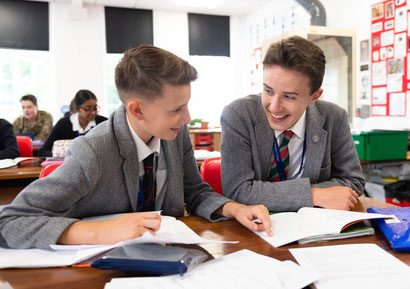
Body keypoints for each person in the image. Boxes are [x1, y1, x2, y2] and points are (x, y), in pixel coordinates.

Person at [0, 45, 271, 249]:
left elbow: (194, 191)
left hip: (172, 258)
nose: (187, 118)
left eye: (186, 105)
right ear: (137, 110)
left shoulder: (175, 133)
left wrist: (234, 208)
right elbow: (11, 221)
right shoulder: (92, 151)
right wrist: (97, 231)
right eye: (177, 109)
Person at [220, 36, 365, 212]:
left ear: (314, 97)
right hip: (256, 228)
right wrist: (313, 194)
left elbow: (354, 181)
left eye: (288, 96)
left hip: (316, 227)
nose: (274, 106)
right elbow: (237, 190)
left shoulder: (334, 117)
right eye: (268, 91)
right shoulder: (239, 115)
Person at [38, 90, 107, 157]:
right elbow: (43, 151)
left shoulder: (103, 122)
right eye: (87, 109)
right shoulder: (63, 124)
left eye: (95, 108)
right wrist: (62, 155)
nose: (93, 112)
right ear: (76, 108)